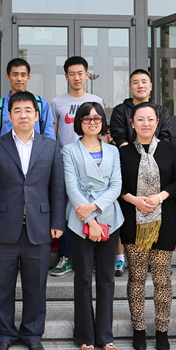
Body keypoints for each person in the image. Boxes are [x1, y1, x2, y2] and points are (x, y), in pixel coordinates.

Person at [0, 91, 66, 350]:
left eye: (28, 110)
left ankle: (32, 334)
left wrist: (57, 221)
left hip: (39, 228)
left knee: (36, 287)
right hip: (4, 227)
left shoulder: (50, 146)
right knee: (3, 287)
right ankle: (4, 335)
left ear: (37, 115)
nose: (23, 115)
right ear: (9, 116)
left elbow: (57, 188)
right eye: (17, 111)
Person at [118, 102, 176, 350]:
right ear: (132, 123)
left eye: (150, 119)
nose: (145, 123)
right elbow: (117, 185)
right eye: (140, 119)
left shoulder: (169, 150)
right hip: (133, 224)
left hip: (164, 222)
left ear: (157, 122)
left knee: (162, 279)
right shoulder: (123, 153)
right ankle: (139, 329)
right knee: (136, 278)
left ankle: (162, 330)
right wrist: (134, 200)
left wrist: (160, 197)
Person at [62, 102, 123, 350]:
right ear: (79, 122)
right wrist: (89, 220)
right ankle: (85, 335)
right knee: (84, 277)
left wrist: (95, 209)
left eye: (97, 118)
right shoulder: (69, 150)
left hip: (109, 218)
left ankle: (105, 335)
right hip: (80, 220)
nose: (92, 121)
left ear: (103, 122)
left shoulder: (113, 151)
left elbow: (116, 186)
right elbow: (71, 187)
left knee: (107, 277)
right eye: (87, 118)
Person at [109, 69, 172, 278]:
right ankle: (120, 258)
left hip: (156, 163)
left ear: (151, 86)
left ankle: (156, 257)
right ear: (130, 87)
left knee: (155, 209)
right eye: (135, 82)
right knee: (125, 212)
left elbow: (165, 136)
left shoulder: (161, 110)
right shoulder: (120, 110)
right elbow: (118, 136)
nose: (140, 85)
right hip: (128, 163)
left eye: (144, 81)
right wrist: (134, 156)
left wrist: (151, 156)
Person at [49, 56, 104, 278]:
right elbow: (52, 135)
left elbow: (101, 130)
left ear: (87, 75)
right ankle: (67, 256)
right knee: (67, 209)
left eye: (80, 73)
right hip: (66, 162)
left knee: (93, 206)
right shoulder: (57, 103)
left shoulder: (95, 100)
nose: (76, 78)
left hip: (92, 162)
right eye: (72, 74)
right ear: (66, 77)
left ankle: (94, 257)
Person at [0, 57, 55, 152]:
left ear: (28, 77)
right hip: (6, 158)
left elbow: (49, 138)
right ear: (8, 77)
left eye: (23, 75)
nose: (19, 79)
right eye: (15, 75)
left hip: (35, 158)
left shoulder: (40, 104)